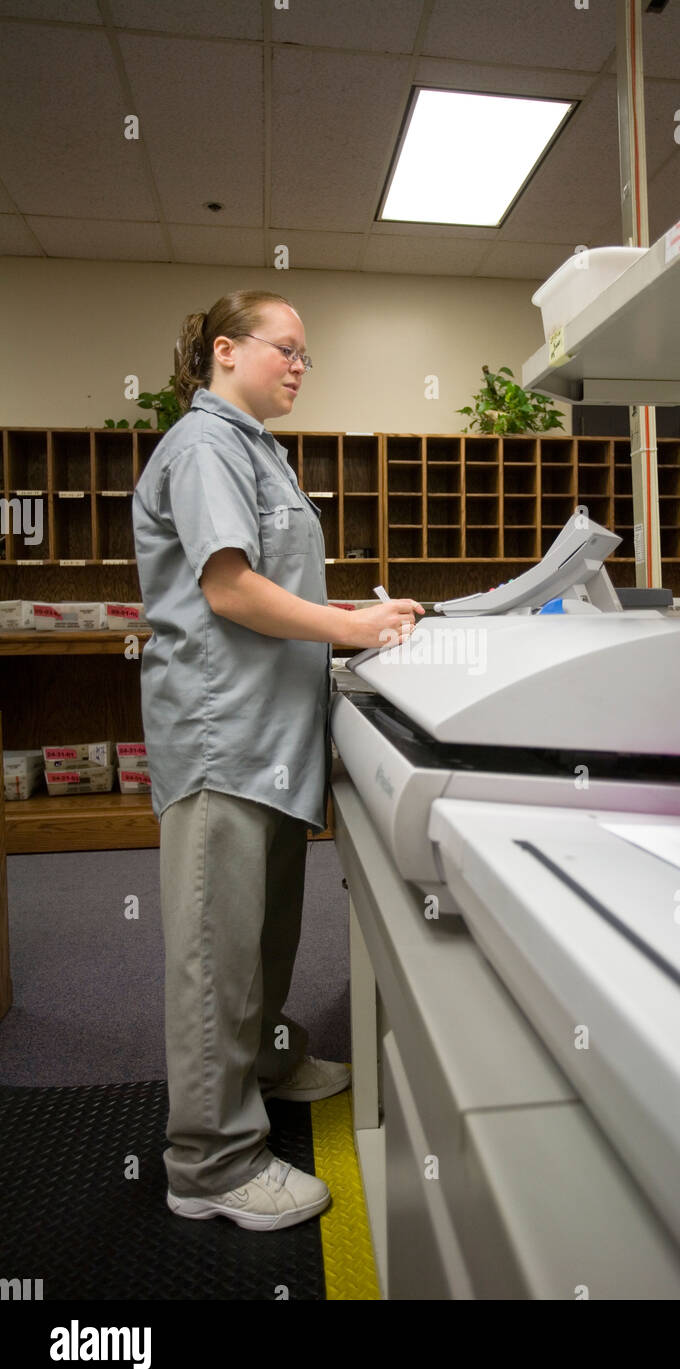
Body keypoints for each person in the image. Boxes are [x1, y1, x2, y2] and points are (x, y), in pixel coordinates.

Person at [132, 289, 424, 1231]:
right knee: (218, 950)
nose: (301, 365)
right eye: (286, 348)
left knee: (265, 933)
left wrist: (349, 632)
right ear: (226, 350)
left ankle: (264, 1065)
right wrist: (349, 626)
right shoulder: (207, 445)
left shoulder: (257, 447)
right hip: (223, 738)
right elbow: (230, 589)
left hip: (271, 738)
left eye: (309, 353)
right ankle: (208, 1164)